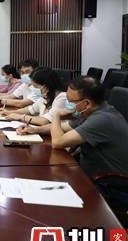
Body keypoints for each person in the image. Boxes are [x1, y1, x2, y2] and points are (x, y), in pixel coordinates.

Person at [47, 77, 127, 210]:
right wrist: (33, 130)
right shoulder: (92, 112)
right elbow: (64, 128)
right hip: (90, 175)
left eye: (71, 101)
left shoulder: (102, 119)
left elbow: (57, 142)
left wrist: (56, 115)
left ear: (87, 103)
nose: (68, 104)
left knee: (54, 203)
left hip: (111, 187)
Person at [0, 67, 67, 126]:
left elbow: (44, 121)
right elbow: (30, 109)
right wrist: (10, 112)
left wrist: (20, 117)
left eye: (35, 86)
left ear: (45, 85)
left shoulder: (61, 97)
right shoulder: (45, 96)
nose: (33, 89)